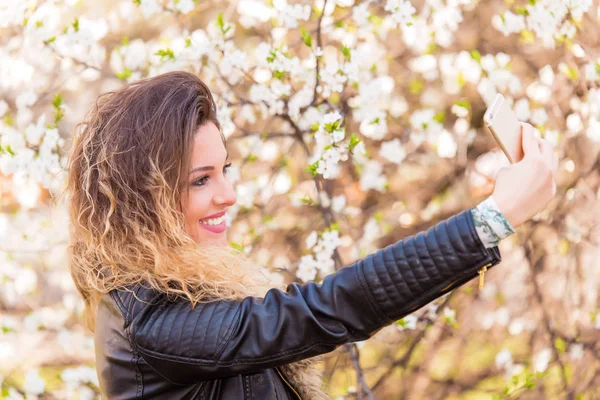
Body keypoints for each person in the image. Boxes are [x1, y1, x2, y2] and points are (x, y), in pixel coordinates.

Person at [67, 71, 557, 400]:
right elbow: (328, 309)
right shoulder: (155, 325)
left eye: (225, 171)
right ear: (142, 199)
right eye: (201, 180)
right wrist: (491, 219)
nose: (228, 195)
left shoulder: (171, 288)